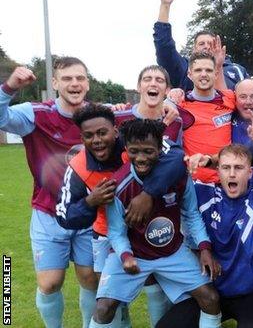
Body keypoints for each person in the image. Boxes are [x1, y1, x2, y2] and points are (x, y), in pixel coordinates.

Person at [55, 103, 188, 326]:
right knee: (110, 298)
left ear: (115, 132)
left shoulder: (133, 144)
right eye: (88, 136)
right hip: (107, 234)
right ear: (82, 138)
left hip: (147, 230)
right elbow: (64, 215)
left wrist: (148, 194)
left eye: (102, 132)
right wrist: (91, 201)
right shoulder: (78, 166)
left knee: (155, 287)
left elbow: (176, 157)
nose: (96, 140)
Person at [158, 112, 253, 328]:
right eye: (226, 168)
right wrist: (183, 161)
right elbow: (168, 182)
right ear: (218, 171)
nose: (232, 174)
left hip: (252, 293)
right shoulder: (203, 194)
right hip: (211, 292)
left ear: (250, 172)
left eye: (238, 168)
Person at [92, 118, 220, 328]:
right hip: (134, 255)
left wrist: (204, 247)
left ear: (160, 149)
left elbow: (191, 214)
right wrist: (125, 256)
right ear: (126, 149)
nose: (140, 158)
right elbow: (115, 232)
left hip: (172, 252)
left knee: (211, 298)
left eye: (148, 151)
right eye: (134, 151)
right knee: (103, 308)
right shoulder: (119, 185)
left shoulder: (179, 176)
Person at [1, 59, 100, 327]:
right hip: (48, 213)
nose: (74, 83)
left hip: (89, 212)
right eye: (67, 79)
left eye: (80, 78)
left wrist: (170, 101)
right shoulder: (36, 114)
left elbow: (138, 114)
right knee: (49, 283)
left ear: (87, 83)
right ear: (54, 83)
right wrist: (9, 87)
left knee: (91, 278)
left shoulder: (99, 116)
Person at [154, 0, 249, 91]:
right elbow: (164, 48)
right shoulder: (184, 68)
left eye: (211, 43)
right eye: (201, 44)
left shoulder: (237, 70)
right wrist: (165, 5)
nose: (207, 47)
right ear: (193, 49)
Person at [169, 52, 236, 183]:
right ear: (189, 74)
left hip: (226, 182)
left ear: (216, 74)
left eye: (209, 70)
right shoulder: (180, 104)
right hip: (194, 183)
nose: (204, 74)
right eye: (198, 70)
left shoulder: (229, 98)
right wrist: (169, 99)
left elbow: (252, 99)